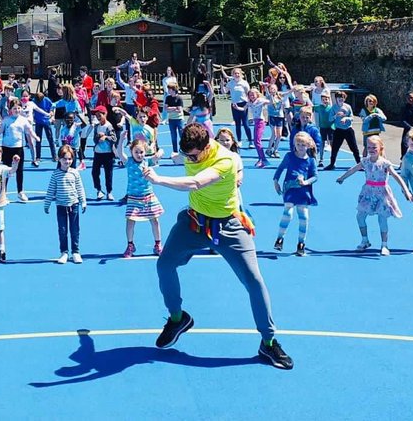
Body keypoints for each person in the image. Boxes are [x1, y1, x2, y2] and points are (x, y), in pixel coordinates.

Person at [142, 121, 294, 370]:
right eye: (186, 154)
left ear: (205, 147)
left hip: (228, 226)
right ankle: (178, 318)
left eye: (192, 155)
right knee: (165, 264)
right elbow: (180, 157)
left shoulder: (226, 160)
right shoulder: (193, 147)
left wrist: (158, 180)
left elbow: (196, 183)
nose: (189, 159)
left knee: (254, 280)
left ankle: (268, 343)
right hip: (194, 222)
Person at [337, 136, 413, 255]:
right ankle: (365, 240)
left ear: (380, 148)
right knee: (360, 216)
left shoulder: (385, 163)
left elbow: (397, 177)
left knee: (382, 218)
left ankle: (384, 245)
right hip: (368, 192)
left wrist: (406, 191)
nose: (371, 149)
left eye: (374, 147)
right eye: (369, 147)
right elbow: (353, 169)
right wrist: (342, 178)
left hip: (382, 193)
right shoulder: (365, 161)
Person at [272, 131, 318, 257]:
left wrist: (306, 182)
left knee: (303, 217)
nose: (300, 147)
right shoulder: (289, 156)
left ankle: (301, 243)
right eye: (298, 144)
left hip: (303, 191)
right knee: (288, 212)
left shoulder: (311, 161)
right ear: (294, 144)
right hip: (290, 188)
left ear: (308, 145)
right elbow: (280, 169)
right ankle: (280, 239)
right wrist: (276, 181)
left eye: (303, 144)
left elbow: (315, 176)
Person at [44, 145, 87, 264]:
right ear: (59, 159)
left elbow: (80, 188)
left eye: (69, 159)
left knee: (74, 229)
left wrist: (83, 201)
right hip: (61, 206)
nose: (67, 161)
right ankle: (64, 252)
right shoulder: (55, 174)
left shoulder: (75, 173)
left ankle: (75, 252)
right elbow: (51, 190)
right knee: (62, 230)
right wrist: (47, 204)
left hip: (74, 205)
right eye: (64, 159)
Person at [123, 137, 165, 258]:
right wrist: (121, 140)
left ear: (145, 152)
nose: (139, 154)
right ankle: (130, 245)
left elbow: (157, 157)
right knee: (130, 221)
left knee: (155, 220)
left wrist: (160, 152)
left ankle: (158, 244)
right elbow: (120, 153)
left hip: (148, 196)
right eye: (136, 152)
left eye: (141, 152)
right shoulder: (129, 162)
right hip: (133, 197)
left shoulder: (147, 162)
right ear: (131, 152)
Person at [0, 97, 37, 202]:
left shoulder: (23, 120)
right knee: (5, 170)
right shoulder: (6, 120)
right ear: (10, 110)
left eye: (18, 108)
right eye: (14, 108)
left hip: (18, 148)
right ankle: (3, 192)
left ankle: (20, 192)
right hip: (6, 148)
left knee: (19, 171)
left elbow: (29, 130)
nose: (16, 110)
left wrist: (35, 137)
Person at [324, 91, 361, 170]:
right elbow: (330, 119)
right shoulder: (333, 107)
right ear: (336, 99)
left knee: (354, 148)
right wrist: (335, 115)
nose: (341, 99)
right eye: (339, 98)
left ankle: (359, 164)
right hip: (338, 130)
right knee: (335, 148)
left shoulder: (348, 107)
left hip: (348, 130)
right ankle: (332, 164)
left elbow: (352, 118)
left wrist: (345, 118)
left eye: (342, 98)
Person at [88, 106, 117, 201]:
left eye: (99, 115)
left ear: (105, 114)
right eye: (96, 116)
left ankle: (109, 192)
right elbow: (94, 140)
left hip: (107, 154)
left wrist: (106, 137)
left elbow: (114, 138)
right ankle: (99, 190)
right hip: (98, 153)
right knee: (94, 173)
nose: (98, 117)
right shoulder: (97, 127)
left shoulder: (109, 126)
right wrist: (97, 137)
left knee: (108, 174)